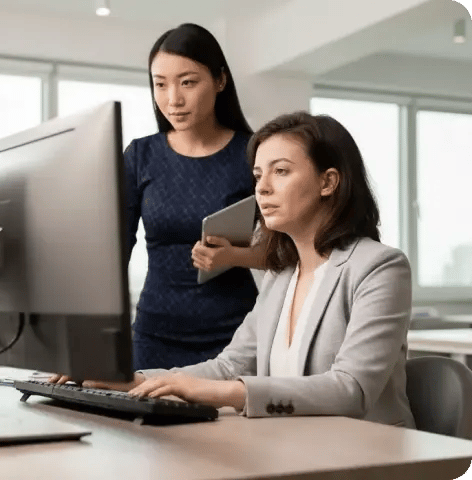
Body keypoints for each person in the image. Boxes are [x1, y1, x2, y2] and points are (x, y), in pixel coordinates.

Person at [55, 111, 415, 427]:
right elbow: (230, 366)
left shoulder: (379, 267)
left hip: (370, 456)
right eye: (258, 175)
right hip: (295, 448)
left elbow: (350, 389)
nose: (263, 187)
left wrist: (222, 393)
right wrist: (131, 381)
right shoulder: (281, 275)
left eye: (281, 171)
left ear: (328, 182)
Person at [124, 23, 261, 370]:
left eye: (187, 82)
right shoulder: (141, 156)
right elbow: (112, 252)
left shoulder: (253, 153)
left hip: (236, 337)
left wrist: (236, 257)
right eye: (160, 84)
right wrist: (90, 342)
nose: (173, 99)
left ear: (219, 80)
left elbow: (289, 251)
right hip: (154, 336)